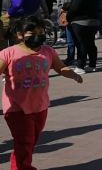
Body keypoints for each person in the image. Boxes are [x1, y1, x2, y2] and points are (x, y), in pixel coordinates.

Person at [0, 16, 83, 170]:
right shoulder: (8, 53)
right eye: (32, 33)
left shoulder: (48, 51)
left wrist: (72, 74)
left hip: (40, 106)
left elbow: (60, 67)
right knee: (24, 140)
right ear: (20, 34)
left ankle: (21, 164)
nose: (38, 36)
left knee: (30, 140)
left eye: (41, 32)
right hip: (17, 108)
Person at [66, 0, 101, 74]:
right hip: (94, 22)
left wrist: (68, 18)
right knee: (91, 43)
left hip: (80, 23)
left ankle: (80, 66)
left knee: (81, 44)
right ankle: (92, 65)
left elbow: (73, 9)